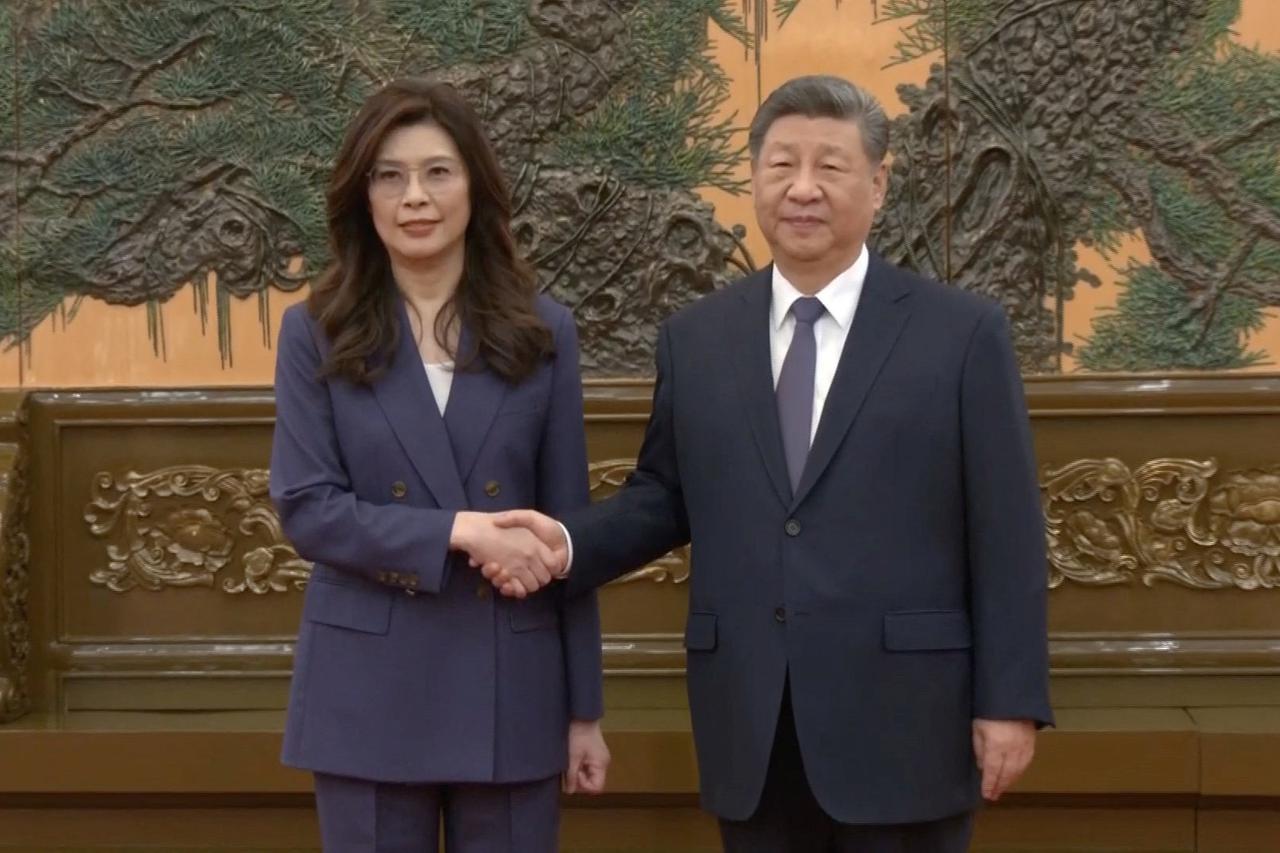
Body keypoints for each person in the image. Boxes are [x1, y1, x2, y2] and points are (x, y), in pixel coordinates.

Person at [486, 75, 1052, 853]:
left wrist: (1010, 701)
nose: (803, 188)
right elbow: (663, 496)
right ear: (753, 180)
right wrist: (566, 545)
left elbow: (1009, 530)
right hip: (753, 722)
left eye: (830, 166)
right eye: (781, 165)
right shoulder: (698, 338)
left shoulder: (961, 334)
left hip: (907, 724)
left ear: (880, 184)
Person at [269, 77, 609, 853]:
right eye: (389, 175)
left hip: (514, 688)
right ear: (363, 197)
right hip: (367, 691)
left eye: (437, 172)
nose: (413, 196)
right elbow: (309, 506)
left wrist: (584, 709)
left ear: (475, 188)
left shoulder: (542, 330)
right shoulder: (315, 331)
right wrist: (462, 530)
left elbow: (569, 534)